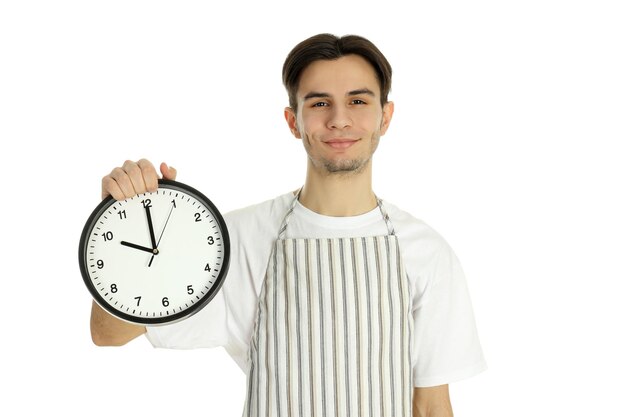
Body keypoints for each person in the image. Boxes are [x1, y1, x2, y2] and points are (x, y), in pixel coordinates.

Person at [91, 33, 486, 417]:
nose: (339, 119)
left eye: (358, 101)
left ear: (385, 116)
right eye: (318, 103)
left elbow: (431, 407)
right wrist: (122, 222)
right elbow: (109, 333)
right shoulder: (237, 240)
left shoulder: (426, 252)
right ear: (293, 121)